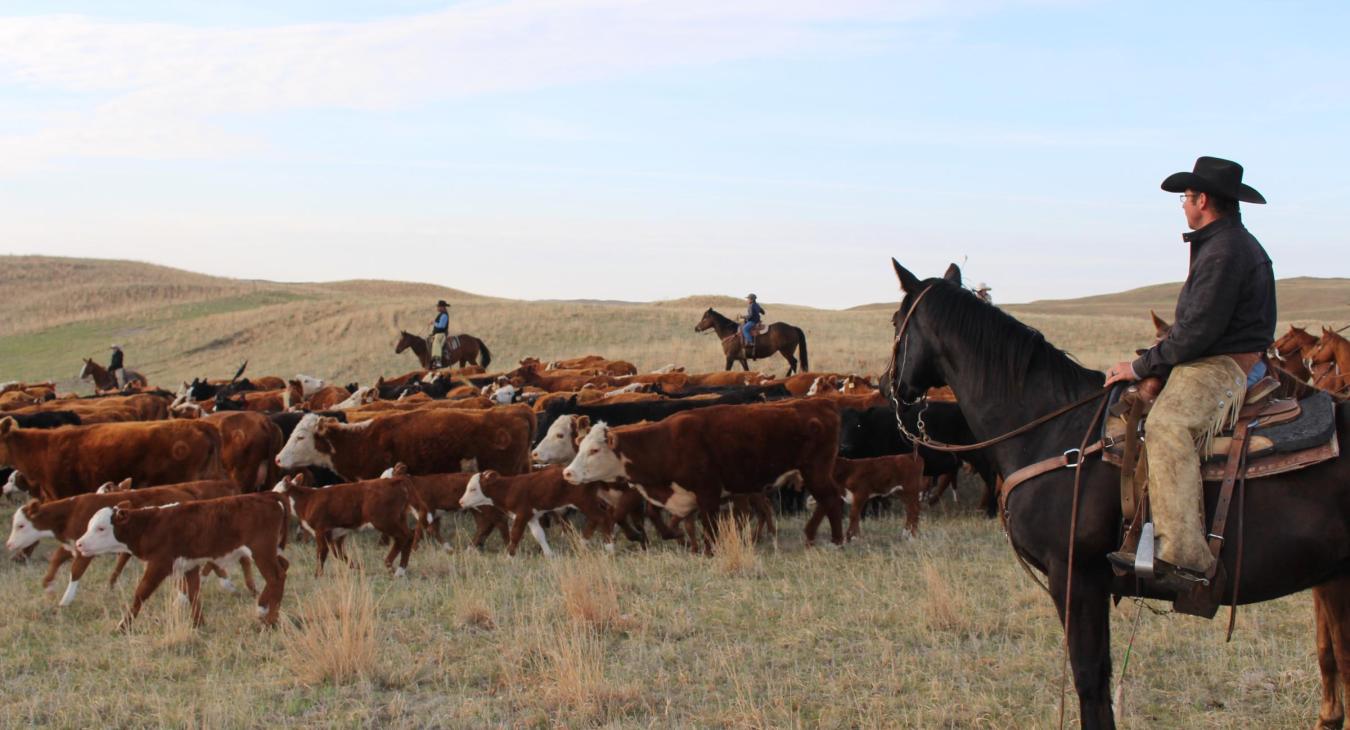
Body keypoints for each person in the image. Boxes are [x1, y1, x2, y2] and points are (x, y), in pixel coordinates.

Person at [1104, 156, 1274, 588]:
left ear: (1202, 199)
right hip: (1213, 355)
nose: (1182, 205)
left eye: (1186, 198)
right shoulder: (1222, 244)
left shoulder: (1226, 251)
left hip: (1225, 365)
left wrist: (1141, 365)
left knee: (1166, 425)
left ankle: (1186, 557)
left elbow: (1198, 331)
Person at [429, 300, 450, 368]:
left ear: (442, 307)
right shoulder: (441, 314)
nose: (437, 308)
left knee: (436, 342)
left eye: (438, 306)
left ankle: (438, 361)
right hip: (438, 333)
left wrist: (433, 323)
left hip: (441, 334)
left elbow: (441, 326)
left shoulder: (444, 315)